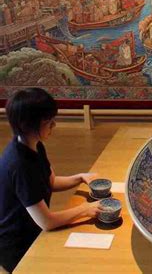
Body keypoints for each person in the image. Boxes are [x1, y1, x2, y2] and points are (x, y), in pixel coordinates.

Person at [0, 88, 103, 272]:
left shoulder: (35, 144)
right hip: (18, 245)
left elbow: (51, 182)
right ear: (28, 125)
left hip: (34, 229)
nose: (54, 125)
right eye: (48, 122)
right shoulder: (19, 165)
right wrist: (84, 209)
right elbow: (46, 222)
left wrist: (80, 177)